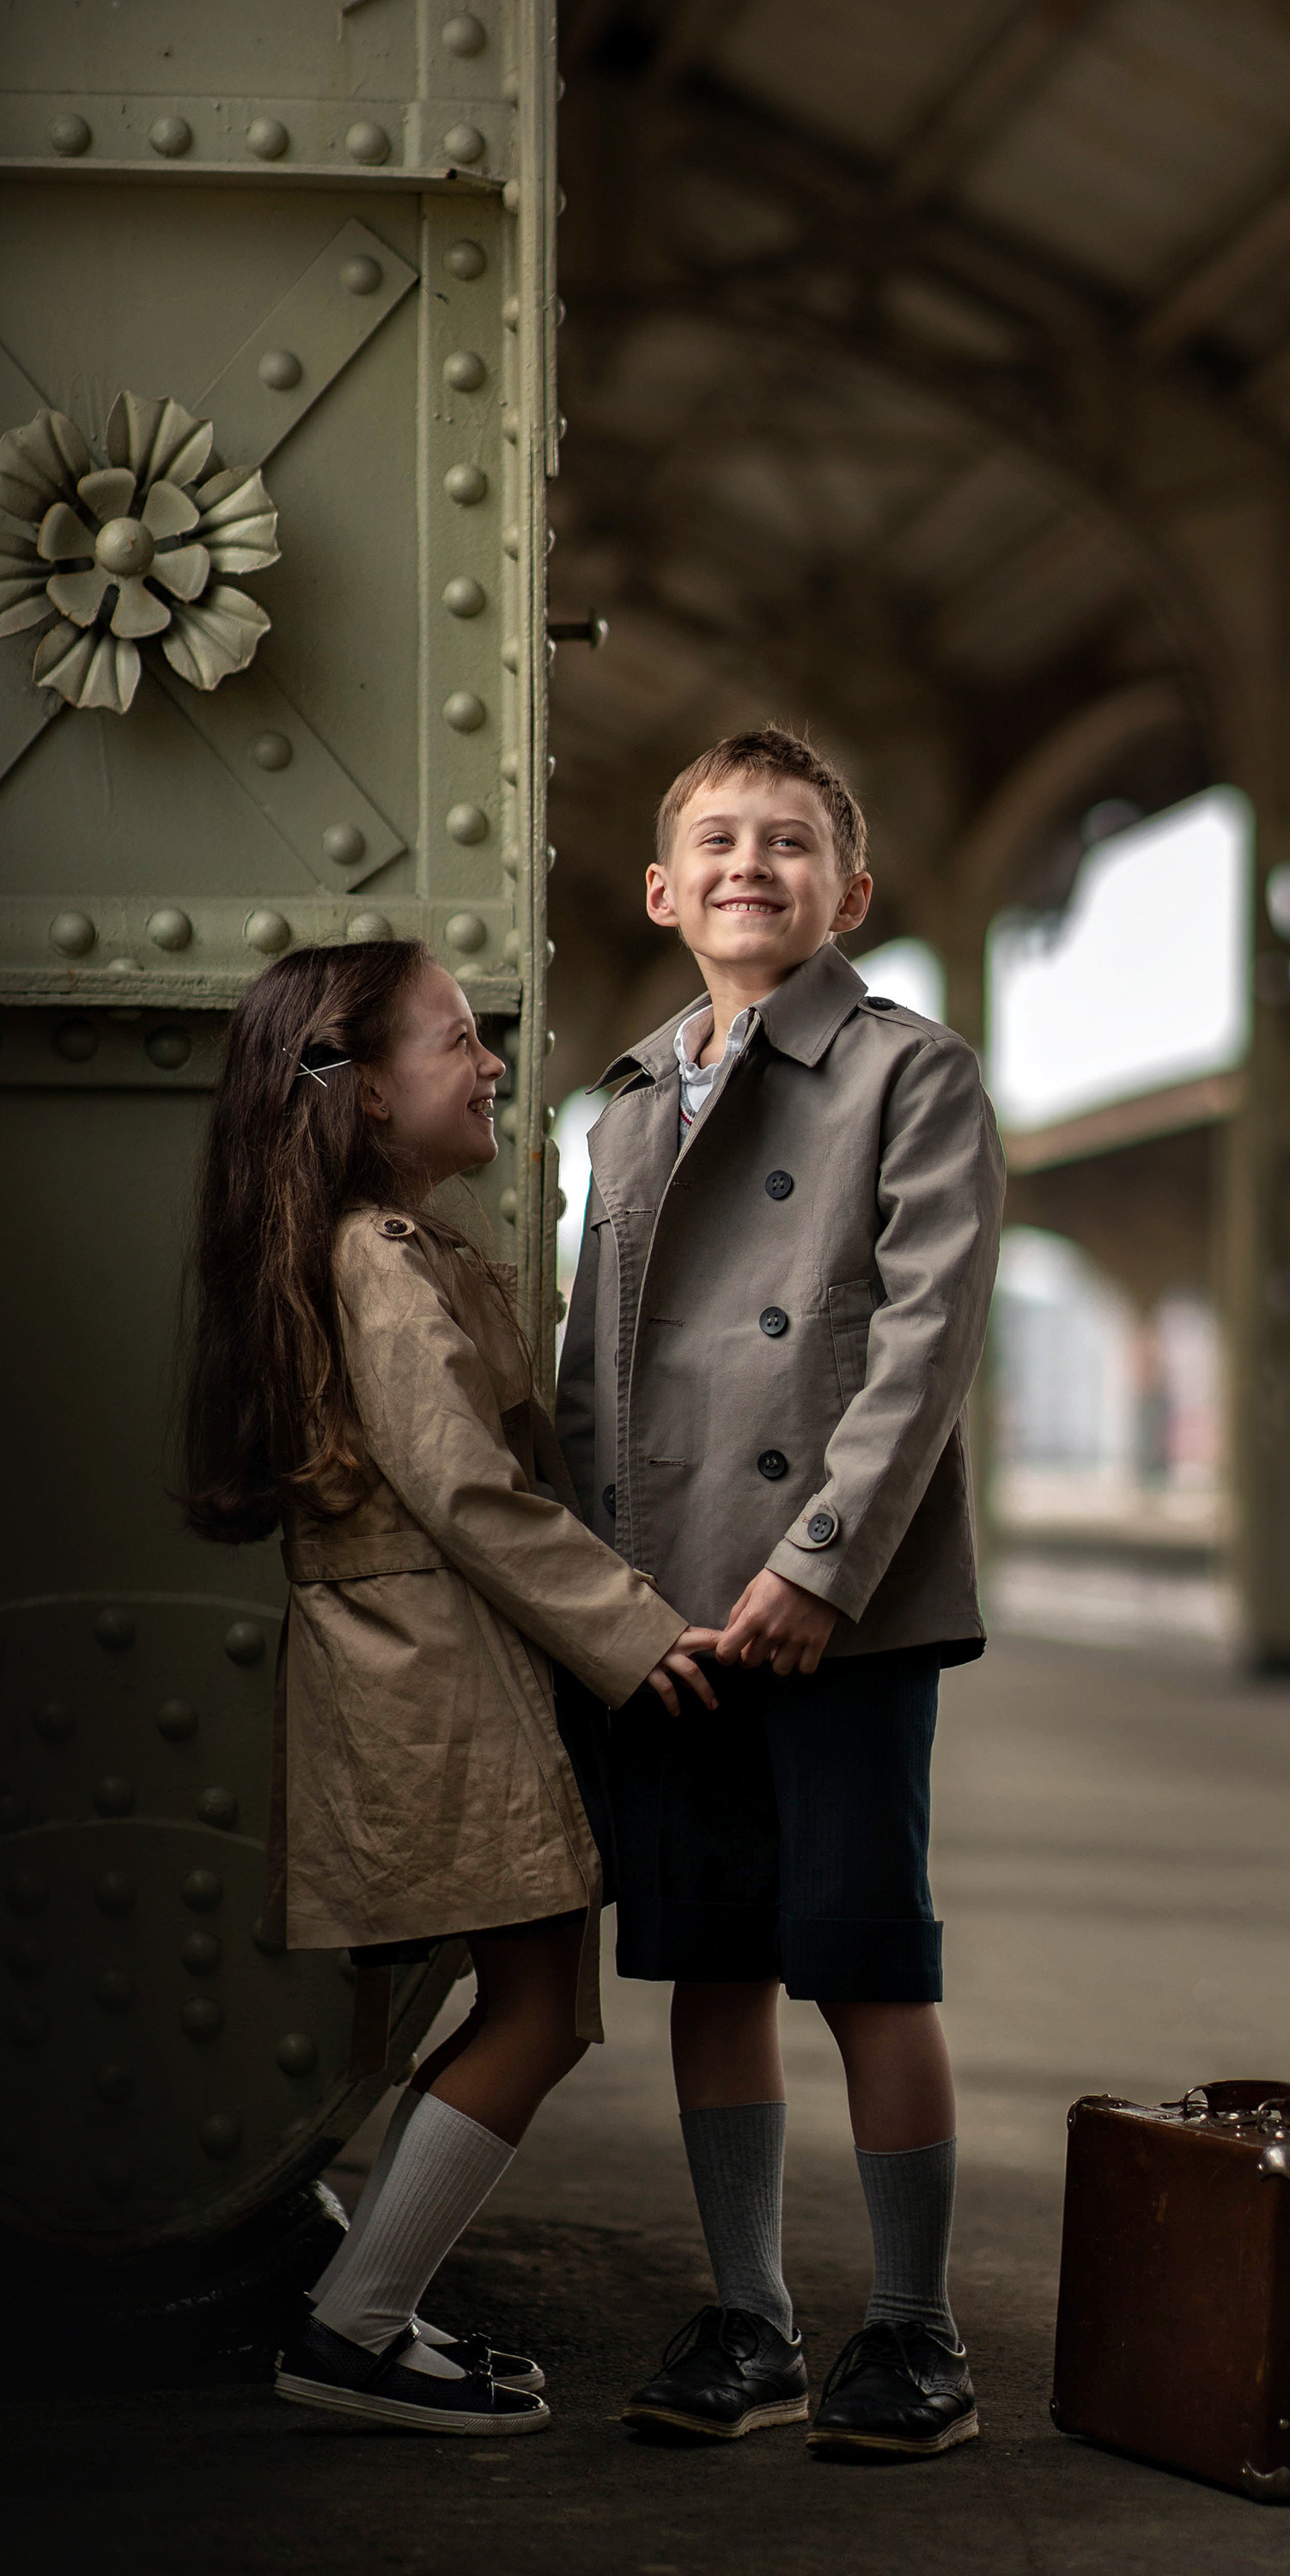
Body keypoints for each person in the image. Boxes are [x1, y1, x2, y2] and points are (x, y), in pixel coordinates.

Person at [181, 938, 718, 2436]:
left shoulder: (380, 1253)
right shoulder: (378, 1261)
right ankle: (354, 2332)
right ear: (357, 1099)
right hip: (437, 1681)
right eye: (455, 1040)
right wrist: (642, 1635)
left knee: (529, 2000)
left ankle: (372, 2314)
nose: (492, 1063)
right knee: (540, 2009)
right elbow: (469, 1492)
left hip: (433, 1671)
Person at [557, 727, 1006, 2458]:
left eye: (792, 842)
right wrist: (606, 1605)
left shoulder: (913, 1071)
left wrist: (818, 1564)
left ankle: (915, 2333)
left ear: (850, 894)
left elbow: (924, 1342)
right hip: (668, 1615)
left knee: (865, 1963)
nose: (753, 864)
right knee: (712, 1966)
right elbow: (594, 1376)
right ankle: (748, 2317)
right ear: (661, 893)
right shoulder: (626, 1096)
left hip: (842, 1607)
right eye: (719, 842)